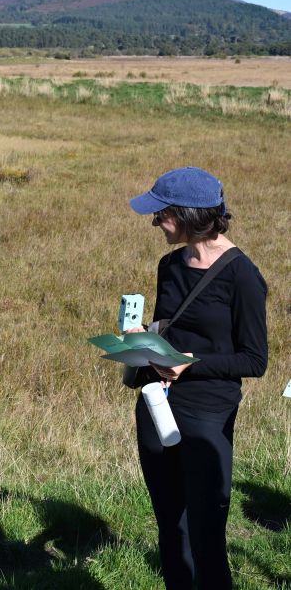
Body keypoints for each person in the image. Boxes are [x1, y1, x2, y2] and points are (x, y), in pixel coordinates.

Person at [127, 167, 267, 589]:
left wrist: (193, 363)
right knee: (171, 528)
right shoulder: (168, 265)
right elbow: (169, 327)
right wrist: (144, 339)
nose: (155, 222)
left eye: (162, 214)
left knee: (207, 537)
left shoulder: (242, 275)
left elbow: (254, 360)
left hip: (208, 414)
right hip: (155, 406)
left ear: (188, 215)